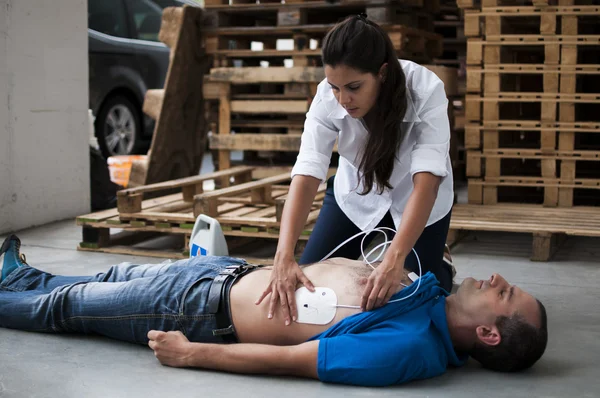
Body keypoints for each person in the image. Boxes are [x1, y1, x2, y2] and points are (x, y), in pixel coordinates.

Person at [0, 235, 548, 387]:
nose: (497, 279)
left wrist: (195, 355)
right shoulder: (426, 297)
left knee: (67, 306)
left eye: (504, 294)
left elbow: (299, 361)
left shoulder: (408, 349)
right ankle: (15, 276)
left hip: (197, 310)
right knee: (107, 275)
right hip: (222, 273)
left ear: (489, 335)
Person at [257, 14, 457, 325]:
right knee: (310, 289)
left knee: (423, 301)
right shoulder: (327, 97)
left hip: (419, 201)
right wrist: (283, 256)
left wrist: (395, 259)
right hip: (357, 195)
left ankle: (439, 262)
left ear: (382, 72)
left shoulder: (426, 90)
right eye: (335, 87)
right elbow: (307, 173)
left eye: (353, 87)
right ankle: (377, 255)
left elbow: (427, 183)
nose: (343, 99)